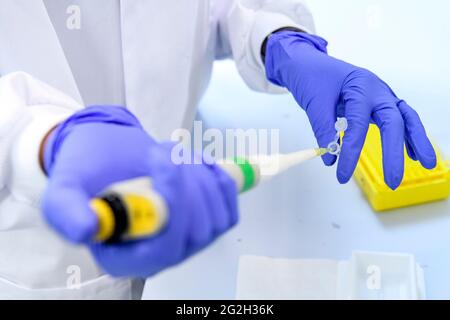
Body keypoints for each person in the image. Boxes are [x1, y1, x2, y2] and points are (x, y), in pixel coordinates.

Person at [0, 0, 436, 299]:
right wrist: (34, 142)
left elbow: (220, 7)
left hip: (180, 182)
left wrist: (279, 39)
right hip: (32, 247)